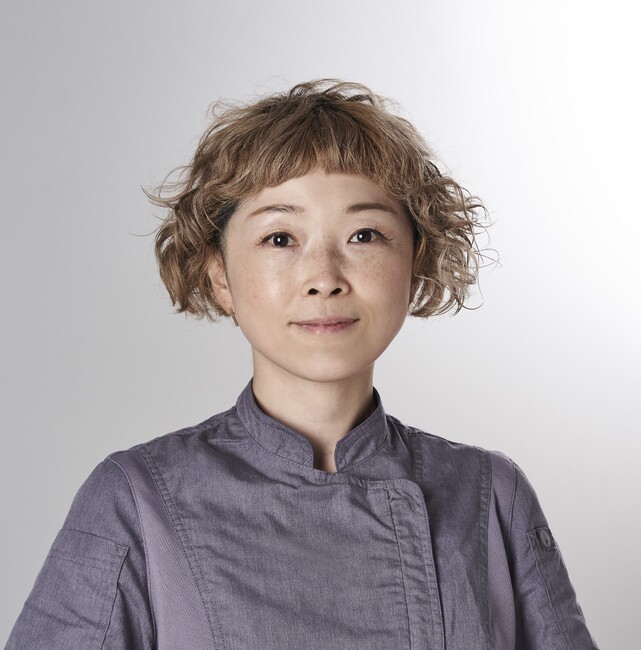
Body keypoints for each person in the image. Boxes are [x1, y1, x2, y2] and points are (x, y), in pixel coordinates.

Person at [5, 79, 599, 649]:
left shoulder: (489, 493)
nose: (324, 278)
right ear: (220, 276)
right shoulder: (138, 499)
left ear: (415, 263)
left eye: (364, 235)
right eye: (280, 239)